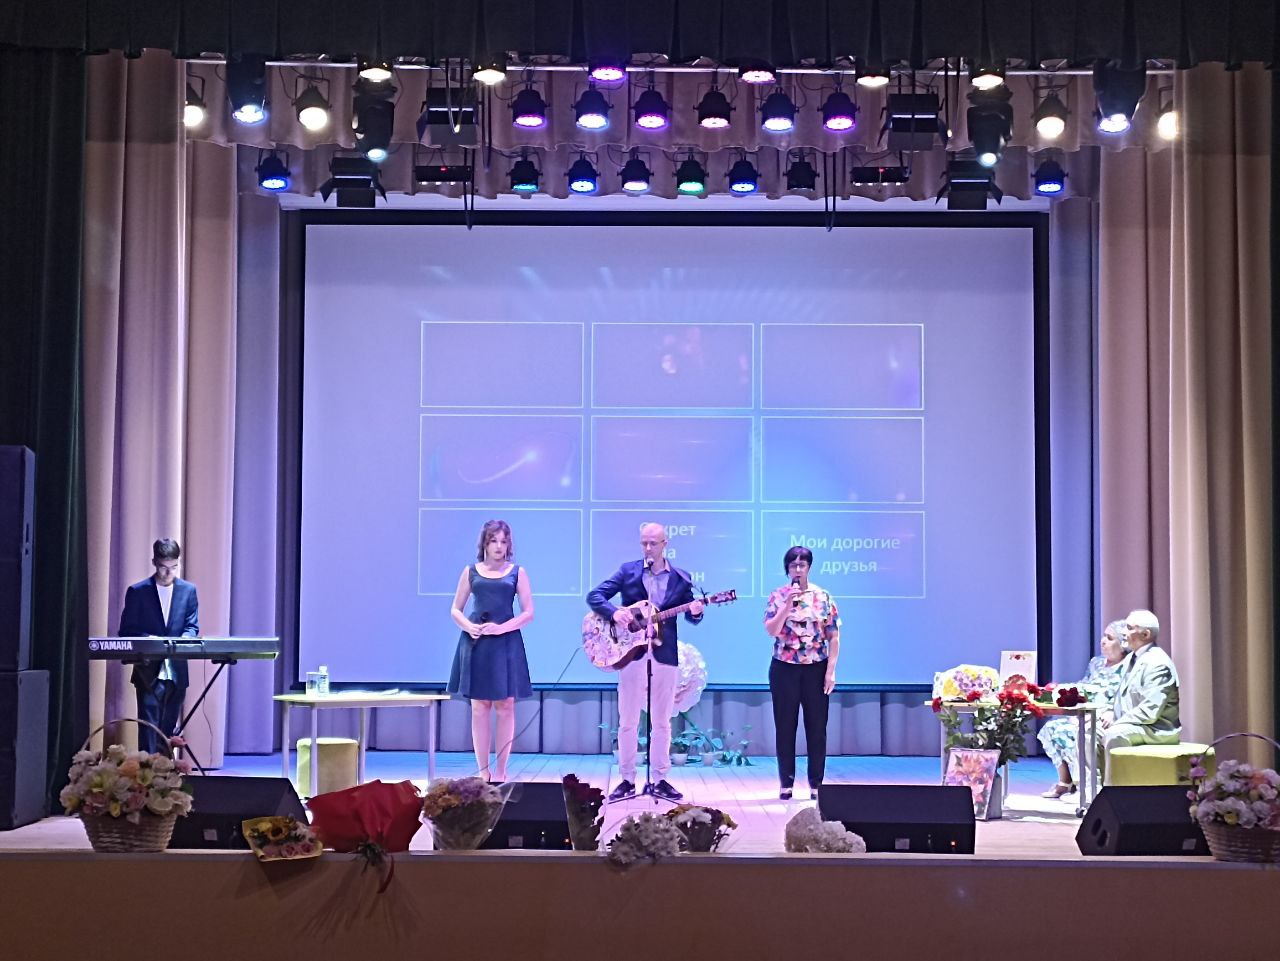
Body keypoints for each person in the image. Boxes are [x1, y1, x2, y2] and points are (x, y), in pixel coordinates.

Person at [587, 522, 704, 803]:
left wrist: (696, 611)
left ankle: (660, 779)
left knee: (661, 721)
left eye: (653, 543)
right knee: (628, 720)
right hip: (631, 653)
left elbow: (692, 617)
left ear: (665, 544)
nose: (648, 548)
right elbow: (595, 596)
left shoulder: (681, 578)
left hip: (664, 654)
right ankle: (627, 779)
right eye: (644, 543)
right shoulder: (628, 571)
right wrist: (615, 613)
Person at [448, 519, 534, 783]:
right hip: (477, 643)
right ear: (484, 543)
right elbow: (455, 610)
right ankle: (483, 771)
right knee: (479, 707)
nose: (499, 546)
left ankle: (501, 771)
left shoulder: (517, 572)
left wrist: (502, 628)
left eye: (503, 541)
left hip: (505, 643)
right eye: (493, 541)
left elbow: (528, 613)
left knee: (505, 706)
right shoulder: (471, 571)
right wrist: (468, 626)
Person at [763, 546, 840, 801]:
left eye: (802, 565)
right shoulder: (778, 595)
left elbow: (833, 636)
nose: (798, 569)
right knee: (785, 726)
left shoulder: (823, 596)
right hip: (784, 668)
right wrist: (787, 605)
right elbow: (771, 630)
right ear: (787, 569)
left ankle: (816, 784)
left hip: (816, 667)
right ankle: (786, 783)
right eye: (793, 565)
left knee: (817, 728)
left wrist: (830, 671)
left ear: (809, 567)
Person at [117, 538, 199, 754]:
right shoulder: (138, 591)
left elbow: (192, 626)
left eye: (173, 567)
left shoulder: (188, 591)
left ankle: (166, 770)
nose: (168, 573)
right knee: (148, 726)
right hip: (148, 669)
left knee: (169, 728)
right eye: (163, 567)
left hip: (176, 668)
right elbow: (126, 630)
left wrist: (184, 639)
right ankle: (148, 769)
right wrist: (151, 639)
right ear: (154, 562)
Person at [1037, 620, 1126, 798]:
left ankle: (1085, 787)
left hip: (1104, 717)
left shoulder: (1128, 668)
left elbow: (1125, 698)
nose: (1103, 641)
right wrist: (1060, 692)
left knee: (1078, 734)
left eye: (1110, 638)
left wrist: (1112, 713)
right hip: (1084, 712)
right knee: (1051, 729)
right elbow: (1084, 686)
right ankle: (1065, 782)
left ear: (1123, 644)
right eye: (1104, 636)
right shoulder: (1096, 663)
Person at [1098, 608, 1181, 768]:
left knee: (1115, 734)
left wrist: (1117, 722)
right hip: (1130, 723)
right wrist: (1108, 712)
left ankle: (1114, 783)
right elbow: (1120, 696)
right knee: (1089, 731)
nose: (1123, 632)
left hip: (1154, 729)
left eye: (1129, 628)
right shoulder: (1131, 657)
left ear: (1145, 634)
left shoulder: (1158, 663)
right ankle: (1090, 783)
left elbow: (1149, 711)